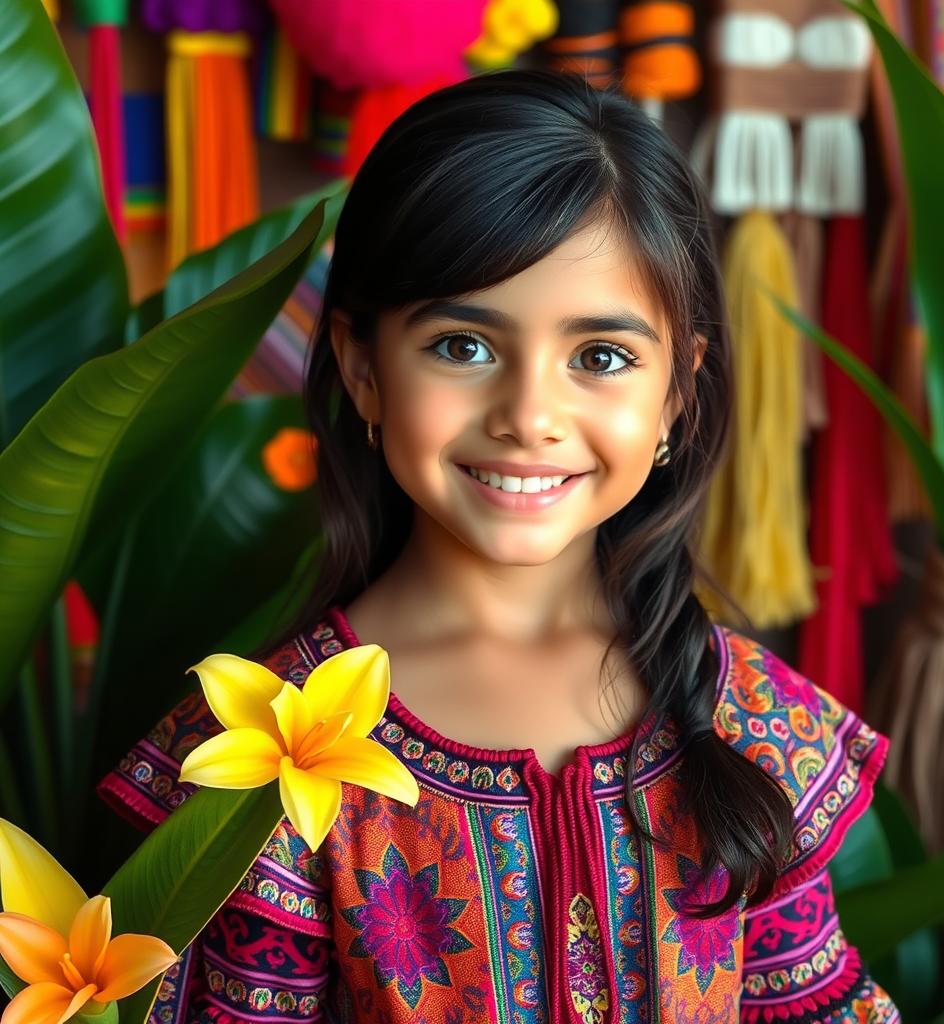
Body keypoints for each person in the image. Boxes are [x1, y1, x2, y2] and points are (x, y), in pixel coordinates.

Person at [98, 68, 899, 1024]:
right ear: (362, 369)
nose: (529, 417)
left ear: (677, 391)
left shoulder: (754, 724)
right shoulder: (260, 764)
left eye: (600, 358)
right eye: (463, 347)